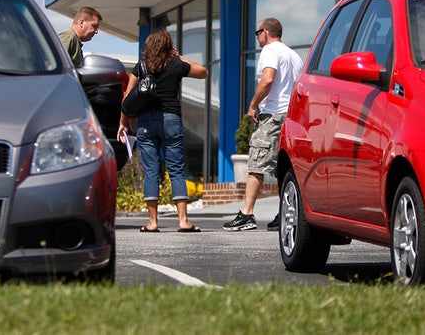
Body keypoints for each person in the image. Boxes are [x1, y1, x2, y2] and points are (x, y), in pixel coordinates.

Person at [118, 28, 208, 233]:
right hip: (171, 120)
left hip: (146, 123)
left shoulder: (141, 67)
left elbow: (127, 97)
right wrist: (181, 57)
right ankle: (184, 221)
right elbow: (203, 72)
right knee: (176, 170)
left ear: (148, 47)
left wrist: (123, 123)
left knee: (151, 172)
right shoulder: (176, 65)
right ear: (169, 47)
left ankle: (152, 222)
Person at [224, 17, 303, 231]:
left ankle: (247, 214)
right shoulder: (295, 56)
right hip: (291, 115)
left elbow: (268, 79)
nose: (257, 37)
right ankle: (284, 214)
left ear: (266, 32)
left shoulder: (270, 51)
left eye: (257, 33)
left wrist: (253, 105)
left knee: (256, 163)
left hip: (273, 114)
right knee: (282, 167)